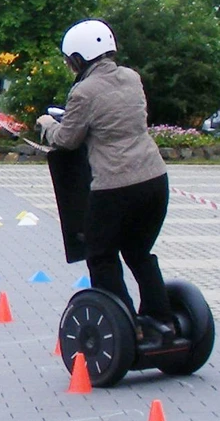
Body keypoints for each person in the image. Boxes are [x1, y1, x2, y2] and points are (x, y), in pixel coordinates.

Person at [36, 19, 176, 341]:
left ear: (80, 58)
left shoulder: (83, 91)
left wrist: (47, 124)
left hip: (116, 186)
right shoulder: (131, 77)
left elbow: (67, 139)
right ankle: (163, 319)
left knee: (100, 255)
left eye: (70, 60)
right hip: (155, 180)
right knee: (139, 251)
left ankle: (126, 327)